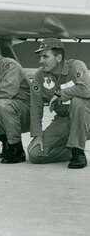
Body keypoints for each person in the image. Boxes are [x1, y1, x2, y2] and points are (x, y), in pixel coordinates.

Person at [28, 38, 90, 169]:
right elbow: (35, 107)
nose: (40, 61)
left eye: (45, 56)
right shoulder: (40, 76)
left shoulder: (76, 67)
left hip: (86, 119)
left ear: (58, 57)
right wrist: (37, 135)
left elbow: (86, 90)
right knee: (35, 154)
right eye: (40, 57)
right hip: (63, 119)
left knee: (78, 102)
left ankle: (78, 152)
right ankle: (70, 151)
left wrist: (60, 93)